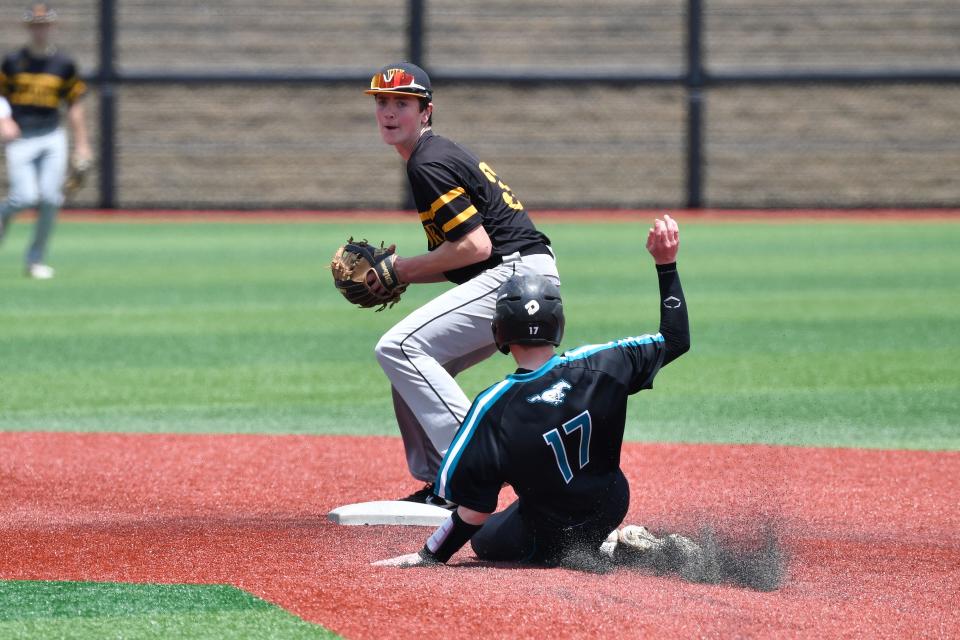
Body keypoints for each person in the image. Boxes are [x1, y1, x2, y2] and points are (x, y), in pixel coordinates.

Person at [374, 214, 690, 568]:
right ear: (559, 324)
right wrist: (666, 264)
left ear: (499, 334)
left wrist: (428, 555)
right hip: (611, 503)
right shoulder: (604, 362)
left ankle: (600, 547)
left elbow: (474, 511)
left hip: (549, 531)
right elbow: (676, 340)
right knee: (580, 491)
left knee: (486, 538)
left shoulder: (493, 407)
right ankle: (607, 539)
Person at [365, 62, 561, 506]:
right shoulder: (435, 155)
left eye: (402, 103)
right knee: (412, 371)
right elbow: (467, 258)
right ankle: (446, 487)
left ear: (426, 111)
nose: (390, 112)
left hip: (515, 277)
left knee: (397, 348)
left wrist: (403, 269)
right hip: (519, 273)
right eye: (382, 102)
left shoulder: (428, 162)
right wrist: (406, 272)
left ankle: (474, 474)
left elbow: (474, 247)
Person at [0, 3, 91, 279]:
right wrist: (5, 120)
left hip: (52, 135)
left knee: (51, 198)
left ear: (52, 27)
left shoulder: (63, 64)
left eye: (45, 24)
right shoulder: (13, 62)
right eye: (36, 25)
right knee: (24, 197)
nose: (41, 30)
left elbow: (74, 105)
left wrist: (83, 144)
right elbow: (1, 95)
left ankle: (35, 260)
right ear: (29, 28)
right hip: (22, 138)